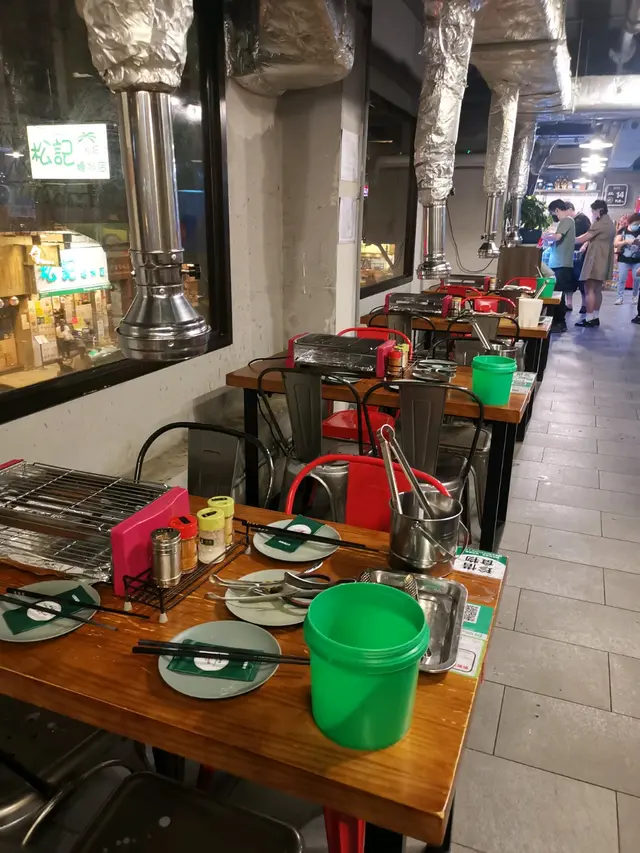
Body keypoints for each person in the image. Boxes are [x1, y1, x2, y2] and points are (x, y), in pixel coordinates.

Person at [574, 199, 616, 327]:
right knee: (597, 289)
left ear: (600, 211)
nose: (592, 214)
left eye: (593, 211)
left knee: (589, 288)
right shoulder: (610, 223)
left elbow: (582, 238)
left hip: (596, 258)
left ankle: (589, 318)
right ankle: (595, 317)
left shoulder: (599, 223)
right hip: (604, 259)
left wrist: (566, 238)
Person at [543, 199, 576, 331]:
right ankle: (556, 322)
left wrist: (544, 236)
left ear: (556, 210)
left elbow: (557, 237)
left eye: (553, 213)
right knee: (557, 293)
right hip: (559, 262)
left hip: (561, 263)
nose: (554, 216)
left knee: (558, 294)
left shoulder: (566, 220)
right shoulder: (567, 222)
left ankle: (560, 322)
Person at [565, 201, 590, 313]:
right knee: (569, 278)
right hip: (568, 254)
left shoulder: (583, 219)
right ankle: (569, 303)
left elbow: (590, 236)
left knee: (581, 279)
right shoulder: (567, 221)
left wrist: (584, 246)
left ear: (570, 209)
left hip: (581, 254)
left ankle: (584, 304)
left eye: (565, 212)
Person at [613, 213, 640, 304]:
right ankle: (619, 297)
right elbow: (615, 243)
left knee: (637, 278)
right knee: (622, 278)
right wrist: (626, 241)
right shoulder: (623, 230)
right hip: (624, 259)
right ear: (630, 222)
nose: (637, 225)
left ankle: (635, 296)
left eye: (638, 224)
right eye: (635, 223)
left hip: (637, 259)